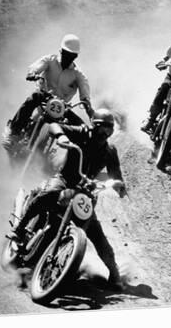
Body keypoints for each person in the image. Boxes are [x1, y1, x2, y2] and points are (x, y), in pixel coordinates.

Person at [10, 109, 128, 289]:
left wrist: (119, 185)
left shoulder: (110, 150)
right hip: (65, 180)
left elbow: (116, 174)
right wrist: (61, 136)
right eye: (101, 127)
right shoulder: (81, 132)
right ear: (93, 125)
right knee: (47, 195)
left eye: (109, 129)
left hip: (86, 193)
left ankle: (114, 272)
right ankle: (19, 229)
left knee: (95, 232)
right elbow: (54, 125)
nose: (105, 132)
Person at [2, 34, 93, 148]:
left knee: (82, 129)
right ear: (61, 51)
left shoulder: (78, 74)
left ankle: (77, 158)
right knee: (34, 97)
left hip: (62, 107)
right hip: (43, 98)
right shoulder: (50, 60)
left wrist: (89, 109)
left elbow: (85, 93)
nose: (67, 58)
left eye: (71, 56)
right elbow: (36, 67)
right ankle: (13, 133)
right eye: (65, 54)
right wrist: (32, 73)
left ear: (75, 56)